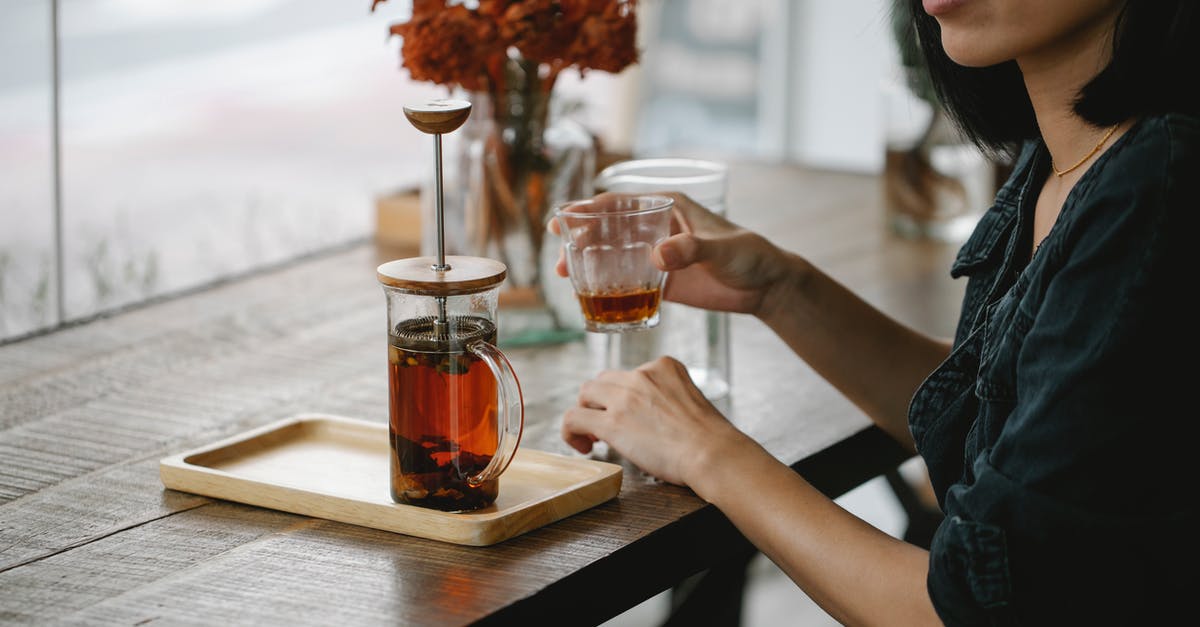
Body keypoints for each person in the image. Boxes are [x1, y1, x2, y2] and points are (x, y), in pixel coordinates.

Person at [551, 0, 1198, 624]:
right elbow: (1005, 414)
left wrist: (706, 451)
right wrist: (779, 289)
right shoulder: (1076, 150)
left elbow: (967, 610)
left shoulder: (1155, 187)